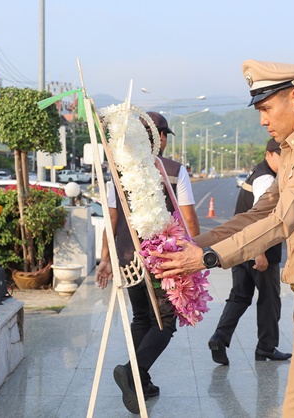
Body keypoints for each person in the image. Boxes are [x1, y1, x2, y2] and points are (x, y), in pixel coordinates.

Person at [152, 60, 294, 417]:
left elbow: (283, 221)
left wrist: (208, 259)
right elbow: (257, 214)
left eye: (267, 108)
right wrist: (197, 243)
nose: (262, 120)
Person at [95, 111, 200, 414]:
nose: (165, 140)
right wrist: (195, 259)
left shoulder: (117, 173)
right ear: (158, 138)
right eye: (163, 134)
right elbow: (190, 220)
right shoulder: (175, 170)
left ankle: (142, 381)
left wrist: (106, 259)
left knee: (143, 318)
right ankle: (131, 371)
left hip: (127, 258)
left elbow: (111, 220)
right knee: (165, 322)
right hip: (162, 260)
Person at [208, 138, 291, 365]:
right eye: (282, 156)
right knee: (269, 300)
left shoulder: (257, 173)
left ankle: (220, 337)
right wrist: (260, 252)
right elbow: (260, 218)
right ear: (270, 154)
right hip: (258, 250)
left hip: (240, 248)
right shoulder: (266, 179)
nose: (285, 161)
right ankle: (266, 348)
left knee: (240, 296)